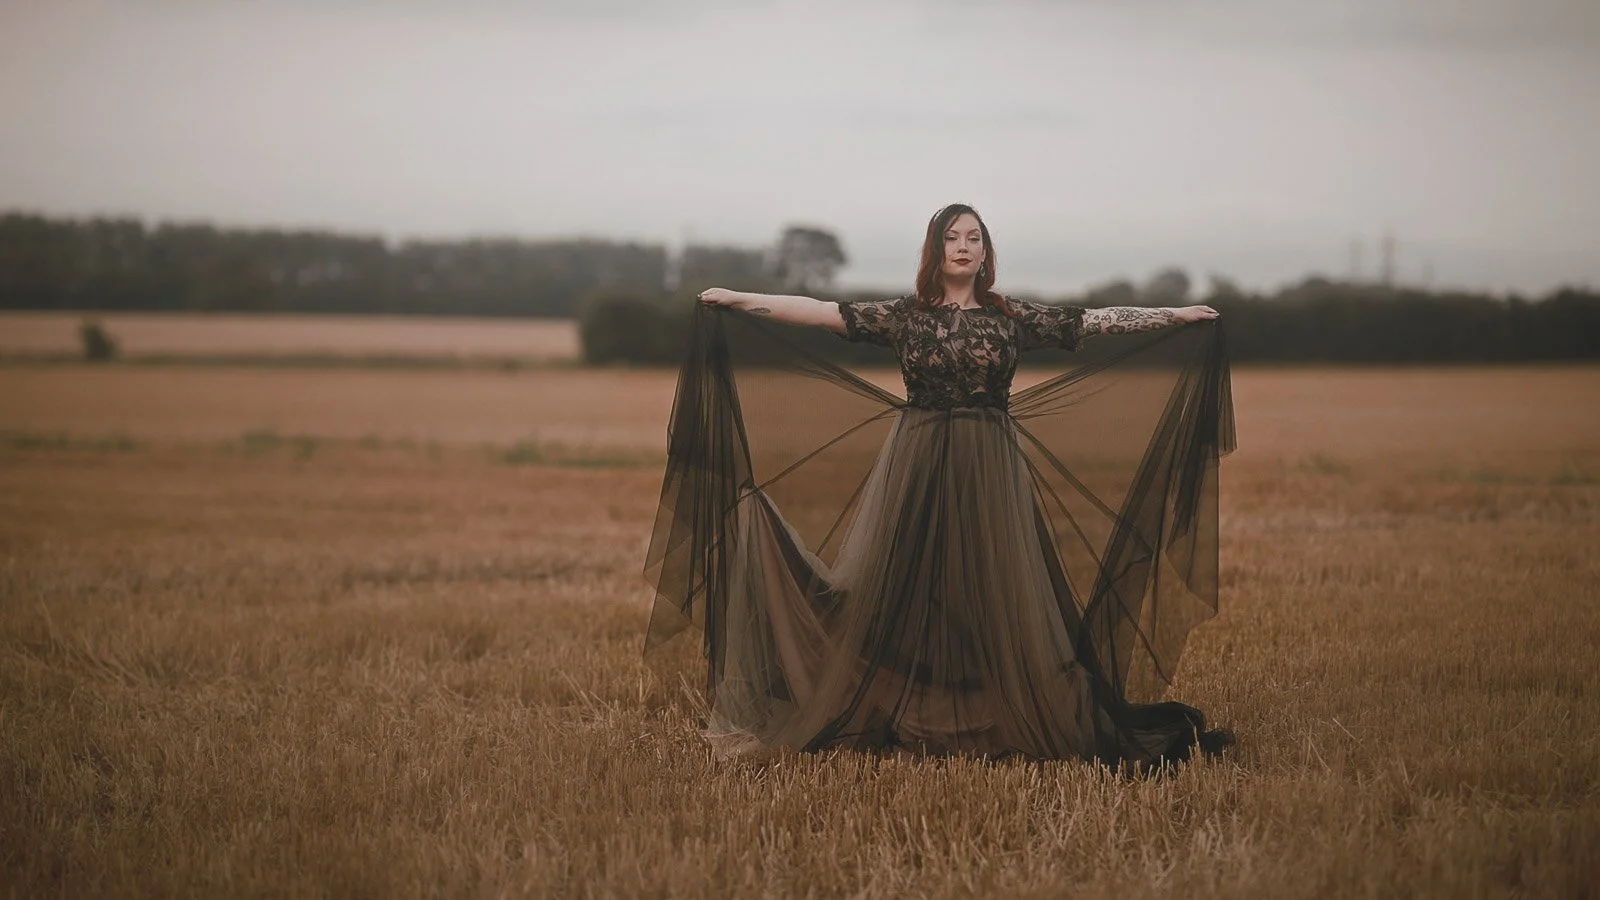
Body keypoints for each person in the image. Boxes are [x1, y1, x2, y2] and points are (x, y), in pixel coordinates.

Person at [644, 203, 1236, 767]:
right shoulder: (907, 315)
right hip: (918, 461)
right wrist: (738, 299)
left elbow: (1092, 321)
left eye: (974, 237)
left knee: (994, 581)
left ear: (986, 253)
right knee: (905, 578)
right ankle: (899, 697)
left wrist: (1177, 316)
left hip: (990, 466)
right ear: (935, 250)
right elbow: (821, 310)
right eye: (952, 237)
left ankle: (997, 702)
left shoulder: (1011, 317)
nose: (963, 247)